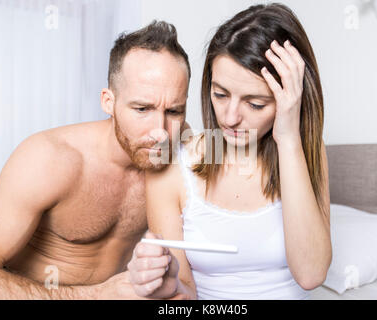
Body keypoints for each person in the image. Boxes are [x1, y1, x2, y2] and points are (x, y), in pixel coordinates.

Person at [128, 3, 332, 300]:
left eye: (255, 103)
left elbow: (311, 274)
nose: (230, 117)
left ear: (291, 99)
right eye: (220, 94)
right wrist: (166, 285)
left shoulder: (306, 152)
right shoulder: (172, 164)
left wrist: (288, 140)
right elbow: (182, 295)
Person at [0, 21, 191, 299]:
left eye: (174, 111)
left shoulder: (185, 151)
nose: (160, 131)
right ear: (108, 102)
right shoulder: (48, 159)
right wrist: (94, 296)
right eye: (142, 108)